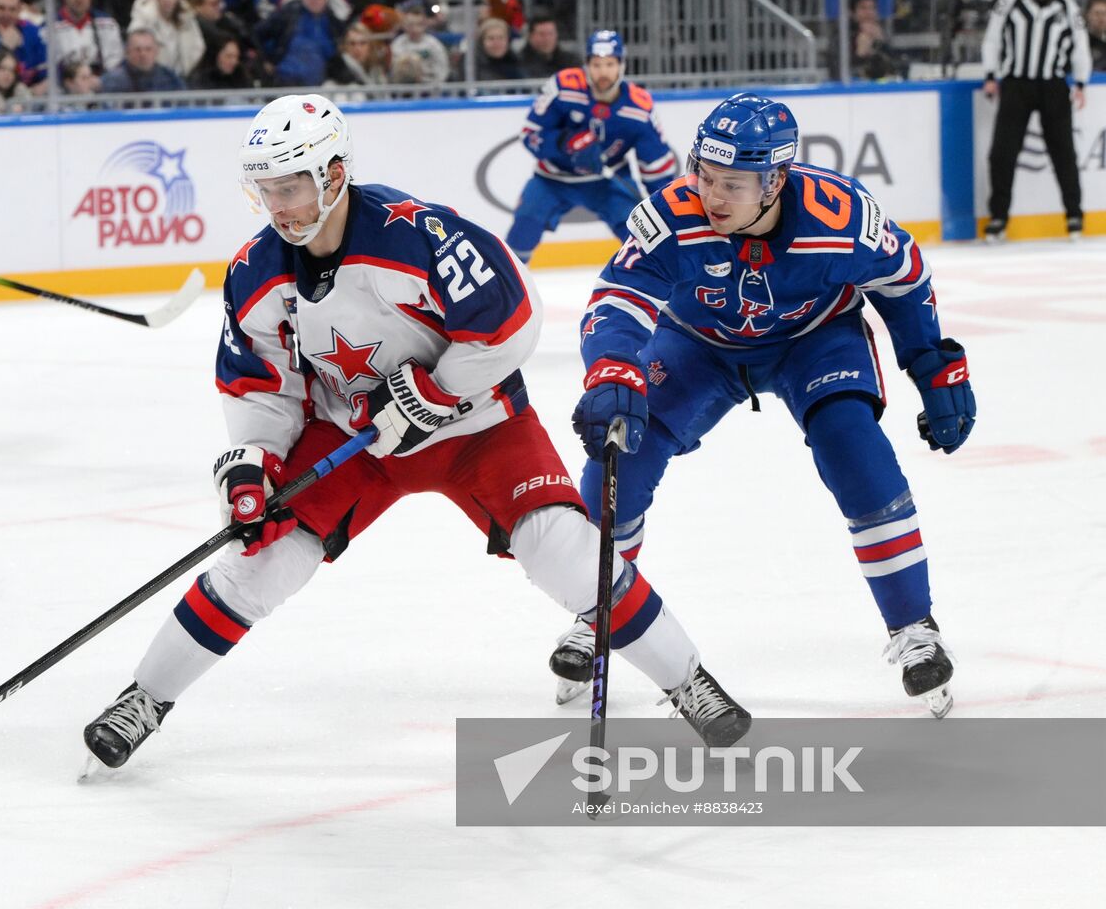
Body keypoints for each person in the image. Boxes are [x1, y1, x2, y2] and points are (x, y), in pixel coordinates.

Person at [80, 93, 752, 772]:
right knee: (260, 561)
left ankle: (687, 678)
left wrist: (434, 390)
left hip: (480, 425)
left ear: (334, 176)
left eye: (292, 186)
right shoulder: (256, 271)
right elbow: (262, 383)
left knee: (565, 552)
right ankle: (144, 698)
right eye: (267, 190)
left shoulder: (416, 234)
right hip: (356, 437)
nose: (279, 205)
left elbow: (513, 316)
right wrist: (252, 458)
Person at [547, 93, 971, 719]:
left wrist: (932, 365)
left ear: (776, 180)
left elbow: (905, 279)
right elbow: (619, 293)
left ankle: (914, 627)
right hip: (700, 344)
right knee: (623, 454)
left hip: (814, 340)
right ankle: (598, 609)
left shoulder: (842, 219)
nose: (712, 196)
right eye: (705, 176)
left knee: (852, 444)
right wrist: (612, 366)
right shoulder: (672, 216)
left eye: (733, 184)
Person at [505, 30, 676, 263]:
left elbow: (657, 165)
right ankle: (506, 286)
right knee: (523, 229)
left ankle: (658, 288)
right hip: (553, 179)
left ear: (621, 65)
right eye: (596, 64)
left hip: (608, 180)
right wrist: (564, 143)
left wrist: (668, 206)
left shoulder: (639, 107)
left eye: (609, 64)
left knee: (642, 235)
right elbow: (530, 134)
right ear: (586, 65)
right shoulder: (563, 87)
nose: (603, 72)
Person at [981, 0, 1092, 242]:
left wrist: (1081, 81)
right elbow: (993, 37)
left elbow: (1080, 46)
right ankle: (998, 218)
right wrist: (991, 74)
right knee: (1002, 153)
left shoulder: (1067, 6)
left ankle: (1074, 214)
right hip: (1017, 84)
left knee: (1063, 152)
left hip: (1053, 86)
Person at [255, 0, 344, 87]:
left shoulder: (332, 21)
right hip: (284, 83)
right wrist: (265, 60)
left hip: (318, 86)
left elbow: (335, 54)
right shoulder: (288, 13)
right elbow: (257, 34)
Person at [129, 0, 208, 78]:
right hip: (150, 78)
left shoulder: (187, 18)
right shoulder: (142, 18)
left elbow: (198, 47)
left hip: (182, 78)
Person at [50, 0, 124, 76]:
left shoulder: (108, 24)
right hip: (66, 86)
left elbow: (115, 61)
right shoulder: (49, 28)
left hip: (101, 85)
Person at [101, 27, 187, 95]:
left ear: (156, 51)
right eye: (137, 49)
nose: (143, 54)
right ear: (127, 52)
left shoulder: (170, 78)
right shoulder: (113, 80)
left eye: (148, 49)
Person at [389, 1, 448, 84]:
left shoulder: (434, 45)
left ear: (424, 25)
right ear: (404, 25)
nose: (415, 29)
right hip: (403, 89)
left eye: (418, 24)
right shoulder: (397, 45)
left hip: (430, 89)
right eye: (410, 25)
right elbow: (393, 72)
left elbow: (442, 71)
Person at [517, 12, 578, 78]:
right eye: (542, 34)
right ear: (530, 36)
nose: (547, 39)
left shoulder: (571, 61)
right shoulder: (519, 63)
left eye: (550, 34)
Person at [189, 35, 254, 88]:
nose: (234, 61)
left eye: (236, 57)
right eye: (228, 56)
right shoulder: (199, 80)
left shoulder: (241, 76)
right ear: (215, 56)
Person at [475, 16, 524, 81]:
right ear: (481, 42)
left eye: (501, 38)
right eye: (491, 38)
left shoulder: (516, 61)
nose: (496, 43)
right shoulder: (472, 63)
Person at [1084, 0, 1106, 72]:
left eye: (1104, 13)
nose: (1101, 18)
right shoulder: (1078, 42)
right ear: (1087, 15)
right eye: (1097, 13)